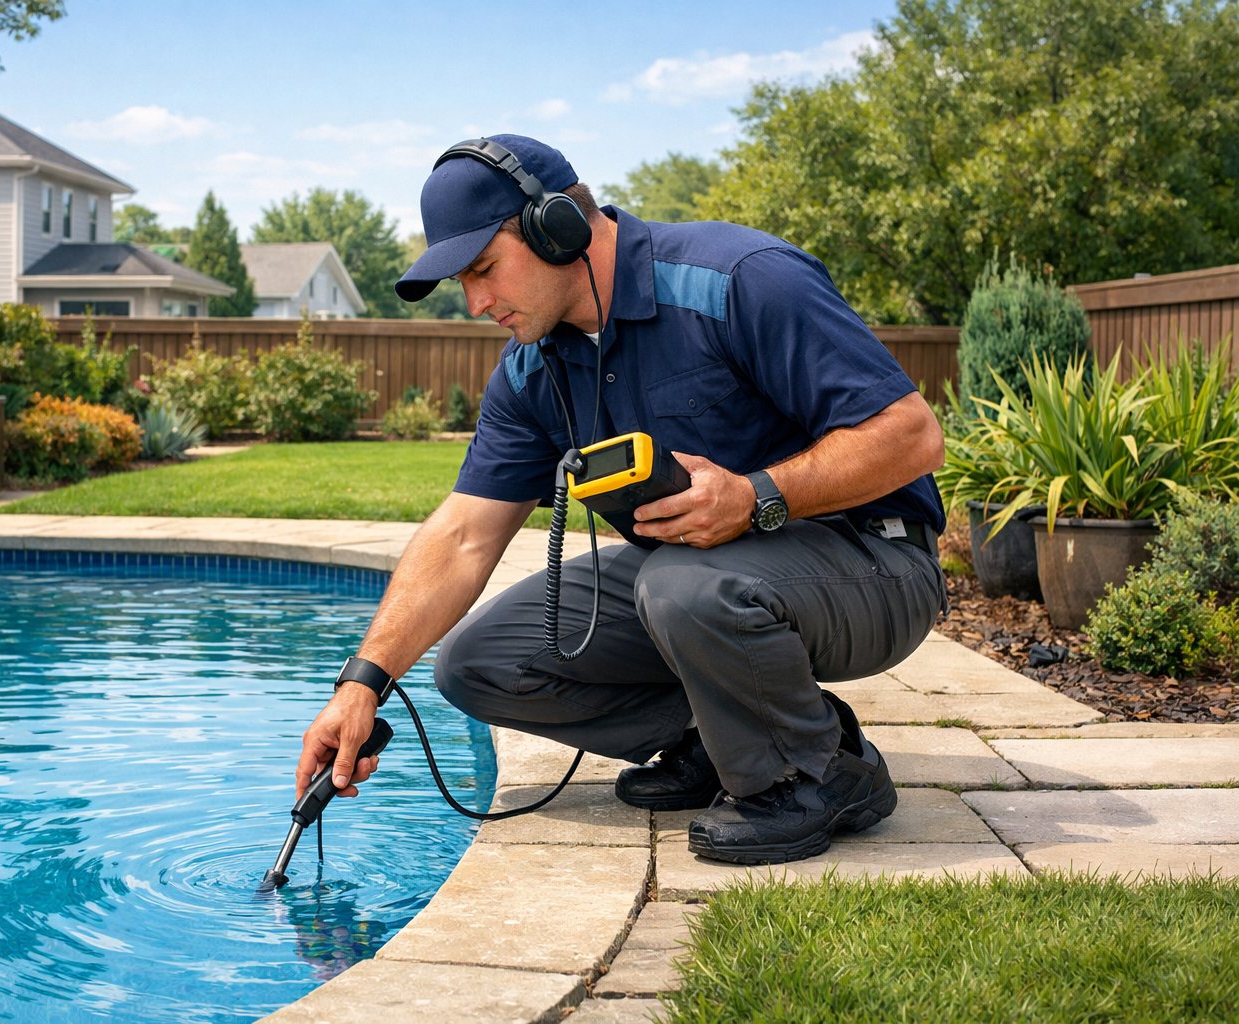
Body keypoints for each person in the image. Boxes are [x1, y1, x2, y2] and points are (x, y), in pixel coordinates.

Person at [294, 134, 947, 865]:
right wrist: (362, 684)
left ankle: (818, 774)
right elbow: (464, 537)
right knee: (477, 664)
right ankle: (720, 739)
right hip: (700, 576)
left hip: (874, 562)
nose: (477, 302)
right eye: (463, 284)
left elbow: (912, 436)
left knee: (681, 585)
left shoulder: (738, 278)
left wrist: (758, 496)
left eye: (484, 269)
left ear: (557, 227)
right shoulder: (531, 369)